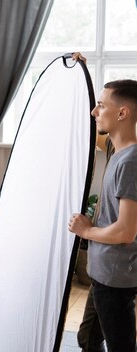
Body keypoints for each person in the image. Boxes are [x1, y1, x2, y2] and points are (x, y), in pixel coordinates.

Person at [69, 79, 137, 351]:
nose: (94, 112)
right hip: (103, 274)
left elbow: (125, 231)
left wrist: (85, 231)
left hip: (116, 278)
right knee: (87, 339)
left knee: (120, 346)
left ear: (122, 113)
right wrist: (79, 73)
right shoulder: (116, 149)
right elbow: (89, 128)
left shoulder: (130, 162)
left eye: (100, 106)